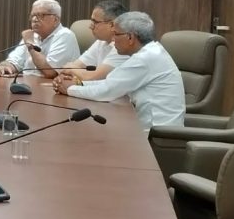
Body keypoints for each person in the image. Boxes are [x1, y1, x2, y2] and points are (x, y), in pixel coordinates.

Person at [55, 11, 185, 130]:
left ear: (130, 38)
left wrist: (69, 89)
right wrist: (79, 84)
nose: (112, 39)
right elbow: (110, 82)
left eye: (116, 34)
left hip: (157, 136)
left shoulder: (145, 58)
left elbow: (106, 91)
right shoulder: (150, 52)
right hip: (145, 128)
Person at [0, 0, 80, 79]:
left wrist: (30, 44)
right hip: (28, 83)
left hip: (51, 88)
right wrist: (5, 66)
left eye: (40, 15)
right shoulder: (32, 35)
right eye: (33, 15)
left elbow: (50, 72)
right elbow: (14, 61)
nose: (34, 19)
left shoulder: (65, 35)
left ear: (55, 20)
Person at [53, 0, 129, 85]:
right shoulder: (100, 42)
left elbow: (93, 77)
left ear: (112, 24)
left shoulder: (124, 47)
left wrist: (72, 70)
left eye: (95, 22)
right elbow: (75, 66)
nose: (90, 26)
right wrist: (67, 76)